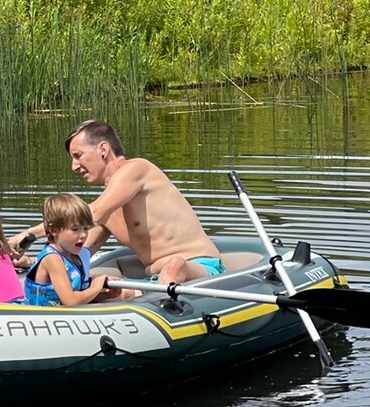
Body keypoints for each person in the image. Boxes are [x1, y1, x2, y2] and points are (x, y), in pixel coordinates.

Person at [12, 121, 223, 285]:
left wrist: (29, 234)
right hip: (155, 279)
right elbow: (75, 254)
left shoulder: (138, 169)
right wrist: (31, 261)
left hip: (198, 267)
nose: (74, 167)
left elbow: (91, 212)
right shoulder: (107, 212)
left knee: (174, 265)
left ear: (103, 149)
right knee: (97, 284)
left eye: (78, 156)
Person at [23, 195, 122, 307]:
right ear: (53, 230)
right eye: (75, 229)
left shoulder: (73, 257)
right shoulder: (53, 258)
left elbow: (76, 295)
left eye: (86, 229)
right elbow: (71, 301)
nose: (83, 235)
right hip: (43, 315)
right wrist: (96, 287)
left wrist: (105, 295)